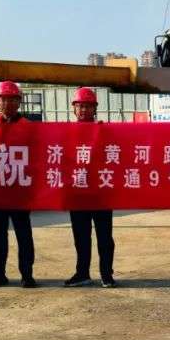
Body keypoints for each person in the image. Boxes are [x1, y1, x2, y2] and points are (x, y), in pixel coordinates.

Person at [0, 80, 37, 288]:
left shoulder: (29, 127)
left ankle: (27, 274)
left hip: (20, 191)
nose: (8, 104)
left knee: (24, 235)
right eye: (4, 99)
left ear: (19, 102)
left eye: (13, 99)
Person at [65, 86, 116, 288]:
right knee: (81, 237)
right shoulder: (66, 132)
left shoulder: (105, 130)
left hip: (101, 192)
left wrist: (106, 132)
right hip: (77, 192)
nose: (84, 110)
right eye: (80, 106)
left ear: (95, 108)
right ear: (74, 108)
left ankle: (106, 274)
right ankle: (82, 273)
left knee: (105, 237)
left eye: (88, 106)